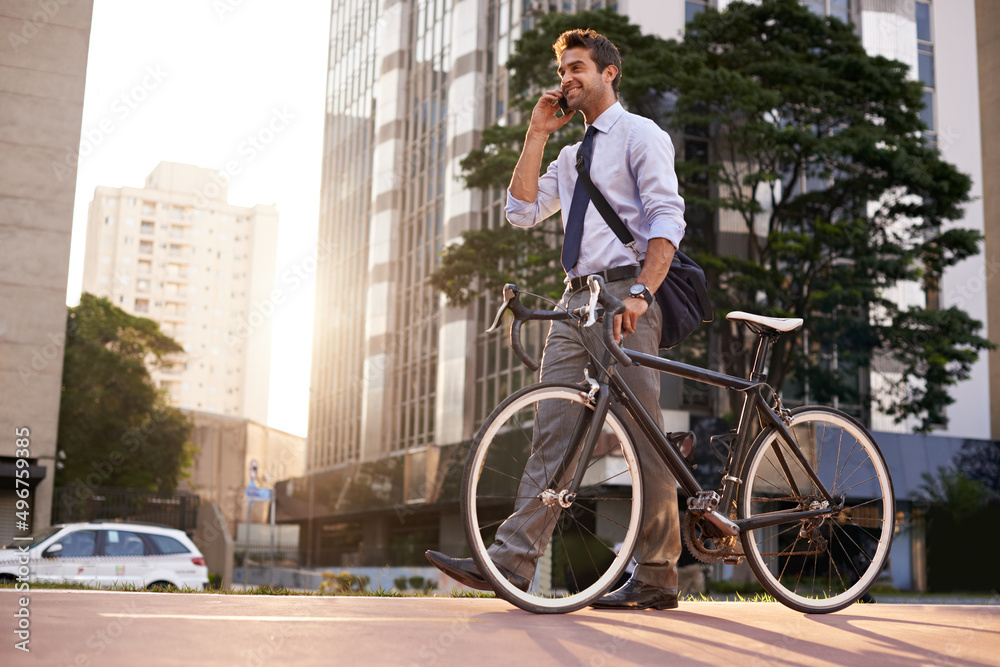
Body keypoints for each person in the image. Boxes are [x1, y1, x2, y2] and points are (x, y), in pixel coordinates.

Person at [427, 28, 685, 611]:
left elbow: (668, 217)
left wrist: (644, 291)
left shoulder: (641, 135)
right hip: (574, 301)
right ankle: (512, 565)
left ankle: (657, 576)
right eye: (563, 69)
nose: (567, 77)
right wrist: (537, 135)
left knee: (643, 436)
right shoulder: (570, 157)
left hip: (626, 294)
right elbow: (520, 212)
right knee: (551, 427)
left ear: (608, 73)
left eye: (578, 68)